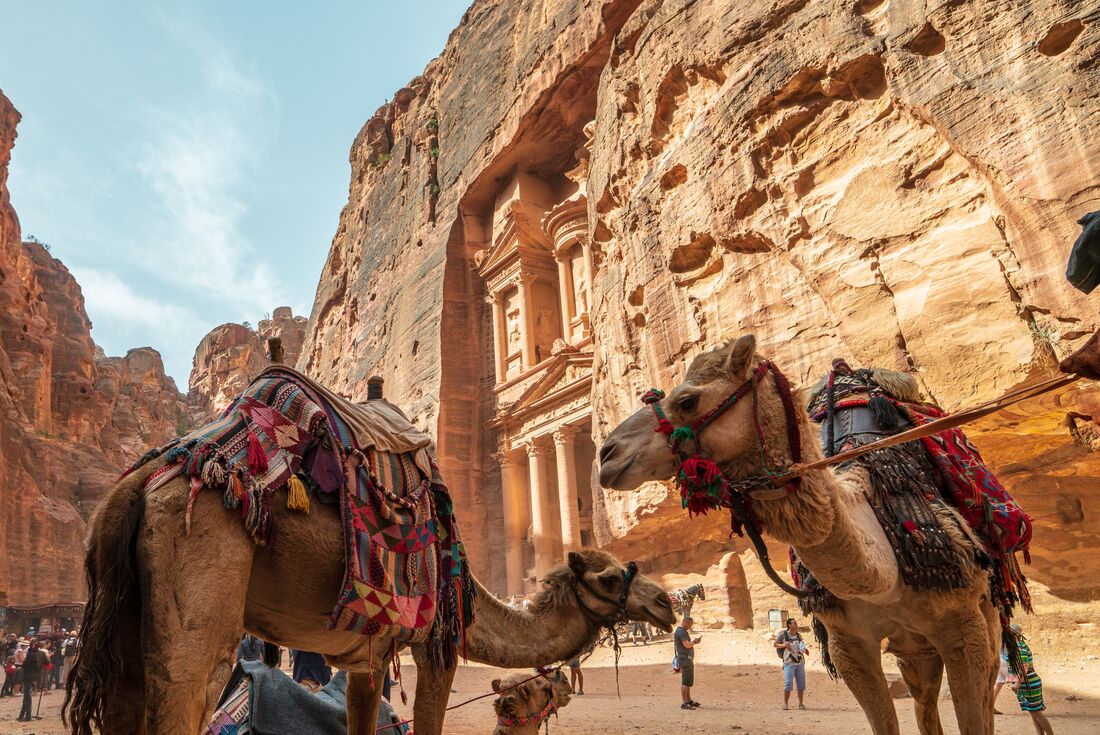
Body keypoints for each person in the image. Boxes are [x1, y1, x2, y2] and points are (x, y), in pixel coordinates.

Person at [1008, 625, 1055, 735]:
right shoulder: (1018, 646)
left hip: (1028, 684)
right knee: (1034, 713)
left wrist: (1017, 684)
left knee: (1037, 713)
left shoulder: (1019, 648)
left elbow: (1024, 667)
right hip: (1028, 684)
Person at [775, 618, 809, 710]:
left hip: (800, 662)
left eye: (796, 624)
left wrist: (804, 649)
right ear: (789, 625)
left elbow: (801, 646)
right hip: (788, 662)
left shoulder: (798, 635)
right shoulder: (783, 634)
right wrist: (784, 645)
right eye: (794, 624)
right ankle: (785, 704)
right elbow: (775, 644)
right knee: (788, 683)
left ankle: (801, 704)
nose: (796, 625)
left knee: (801, 683)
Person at [674, 616, 701, 710]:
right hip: (685, 659)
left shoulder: (681, 631)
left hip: (686, 659)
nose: (690, 626)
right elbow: (687, 645)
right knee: (685, 682)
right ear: (685, 622)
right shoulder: (681, 632)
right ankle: (685, 703)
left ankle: (688, 701)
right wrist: (695, 641)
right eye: (689, 624)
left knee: (688, 681)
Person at [18, 639, 47, 721]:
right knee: (27, 697)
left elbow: (24, 665)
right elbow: (47, 662)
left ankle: (28, 716)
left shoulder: (31, 654)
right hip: (37, 677)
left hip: (28, 677)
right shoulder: (42, 653)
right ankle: (21, 715)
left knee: (27, 698)